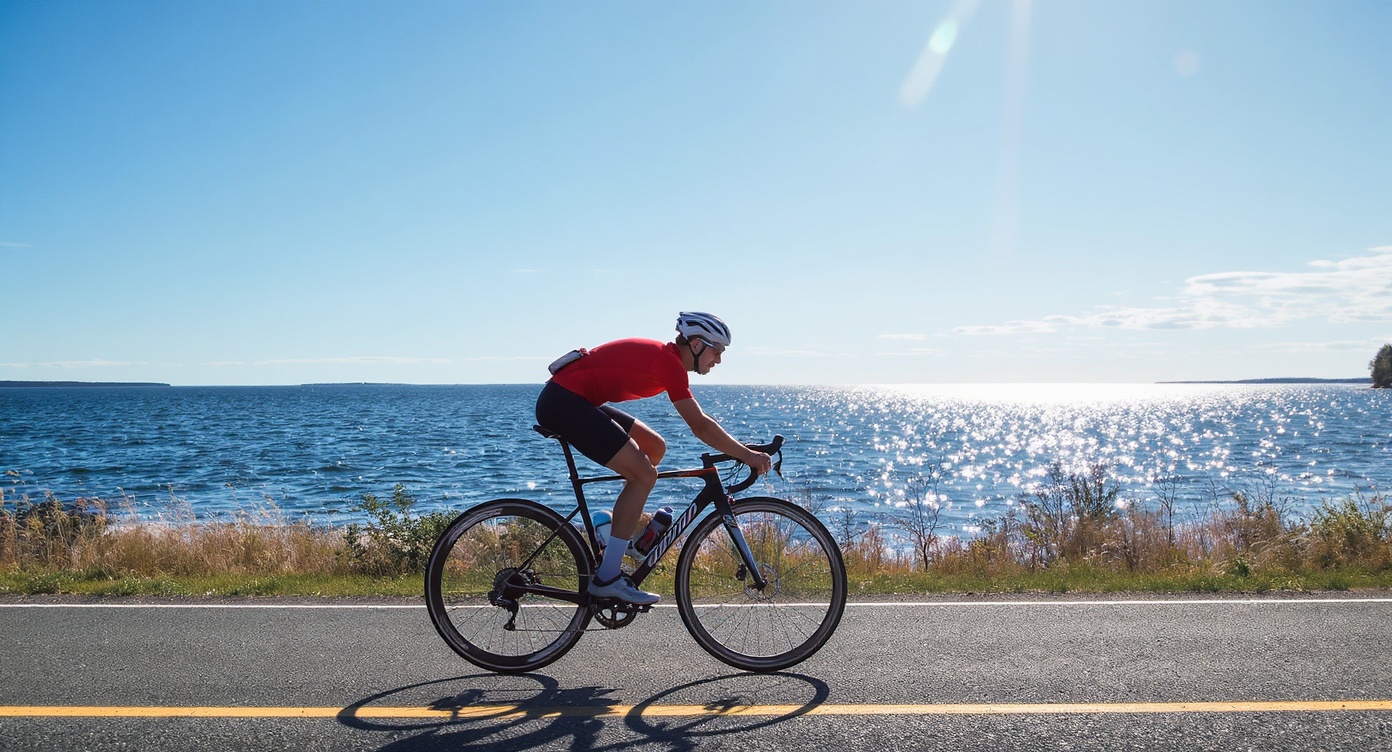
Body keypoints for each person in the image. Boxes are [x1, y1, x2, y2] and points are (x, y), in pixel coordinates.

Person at [535, 312, 773, 605]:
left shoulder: (668, 360)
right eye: (717, 351)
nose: (719, 360)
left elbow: (701, 423)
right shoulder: (669, 364)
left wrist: (741, 449)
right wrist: (747, 454)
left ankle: (613, 539)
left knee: (655, 449)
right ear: (697, 345)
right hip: (563, 403)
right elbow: (699, 425)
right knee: (644, 475)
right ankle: (607, 578)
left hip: (573, 399)